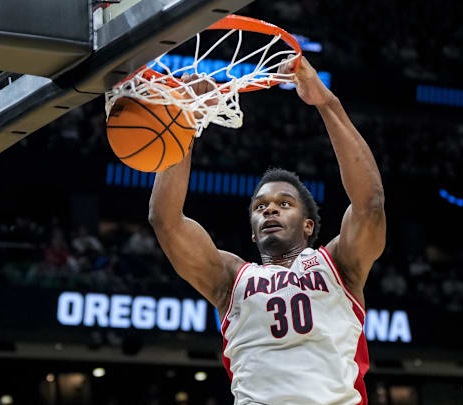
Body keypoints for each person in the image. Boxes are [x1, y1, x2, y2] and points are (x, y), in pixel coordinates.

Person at [148, 56, 386, 405]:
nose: (270, 208)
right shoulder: (231, 279)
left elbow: (370, 204)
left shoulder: (339, 265)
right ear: (253, 233)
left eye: (284, 203)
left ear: (309, 226)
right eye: (260, 207)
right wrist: (187, 121)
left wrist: (326, 102)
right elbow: (165, 220)